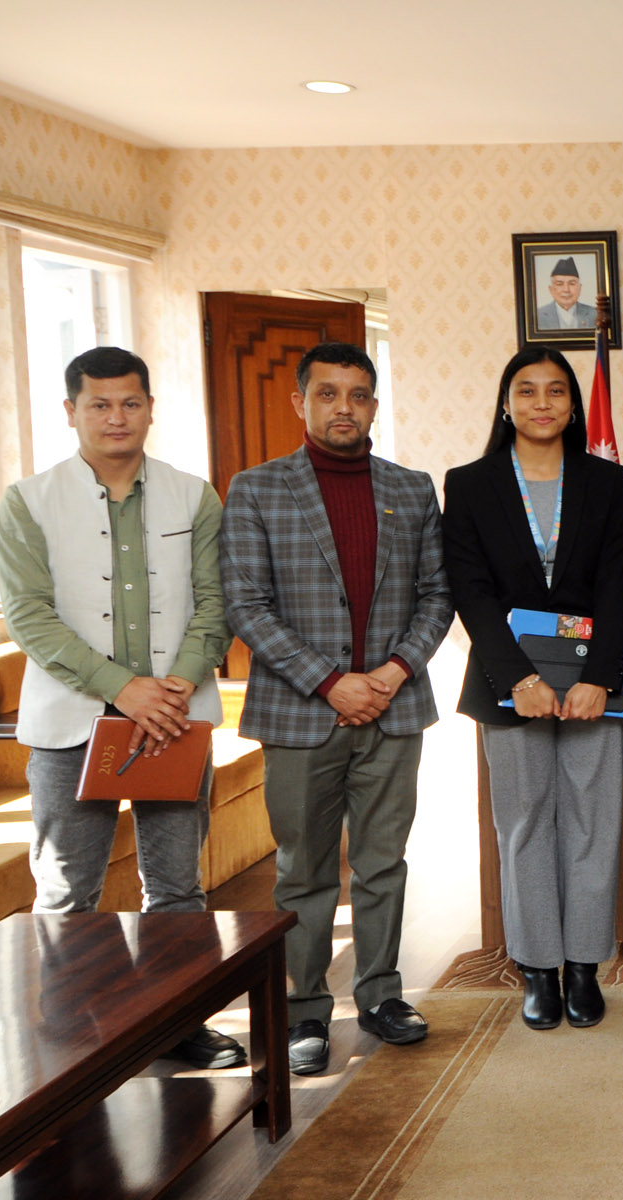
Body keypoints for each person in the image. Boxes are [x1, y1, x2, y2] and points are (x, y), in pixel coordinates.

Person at [0, 345, 246, 1071]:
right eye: (99, 404)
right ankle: (69, 1045)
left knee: (177, 887)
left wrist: (173, 688)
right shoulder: (28, 501)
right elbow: (30, 618)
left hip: (175, 720)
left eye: (130, 402)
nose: (116, 417)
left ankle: (180, 1025)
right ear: (70, 410)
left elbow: (216, 603)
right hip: (69, 726)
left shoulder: (194, 496)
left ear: (150, 409)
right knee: (66, 891)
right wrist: (123, 689)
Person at [221, 341, 454, 1075]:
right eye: (327, 394)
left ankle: (382, 994)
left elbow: (437, 596)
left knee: (384, 862)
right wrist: (330, 682)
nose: (343, 408)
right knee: (304, 871)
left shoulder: (411, 489)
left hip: (393, 707)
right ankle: (305, 1011)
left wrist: (389, 673)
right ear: (301, 402)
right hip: (300, 715)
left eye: (357, 395)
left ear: (374, 406)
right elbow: (245, 606)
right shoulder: (256, 489)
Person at [443, 348, 623, 1031]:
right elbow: (470, 590)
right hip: (509, 683)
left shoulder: (606, 481)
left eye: (556, 391)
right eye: (526, 391)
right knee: (524, 824)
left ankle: (582, 966)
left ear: (574, 407)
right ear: (506, 404)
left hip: (591, 683)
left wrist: (599, 678)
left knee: (591, 824)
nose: (542, 402)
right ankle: (536, 969)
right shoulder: (470, 484)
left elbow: (617, 583)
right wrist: (517, 677)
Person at [536, 257, 598, 331]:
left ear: (580, 288)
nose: (566, 290)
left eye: (572, 283)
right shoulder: (537, 316)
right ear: (551, 289)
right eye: (559, 284)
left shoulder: (595, 314)